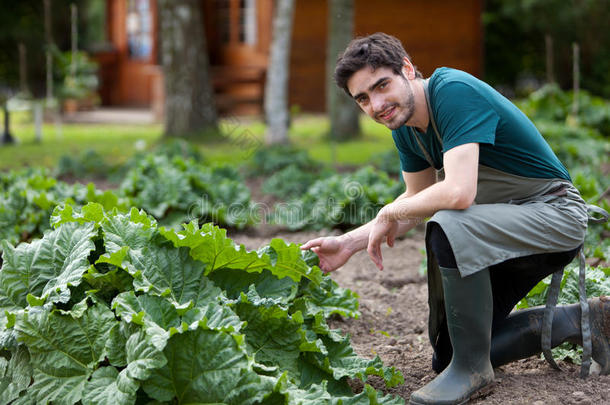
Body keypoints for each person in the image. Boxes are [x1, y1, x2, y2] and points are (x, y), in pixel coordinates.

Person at [300, 32, 609, 405]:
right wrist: (348, 243)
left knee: (450, 221)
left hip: (553, 214)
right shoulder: (406, 126)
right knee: (449, 353)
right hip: (503, 226)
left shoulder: (452, 90)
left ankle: (473, 373)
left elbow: (458, 193)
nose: (377, 104)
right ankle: (577, 321)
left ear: (408, 70)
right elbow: (417, 200)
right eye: (363, 98)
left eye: (381, 86)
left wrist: (387, 210)